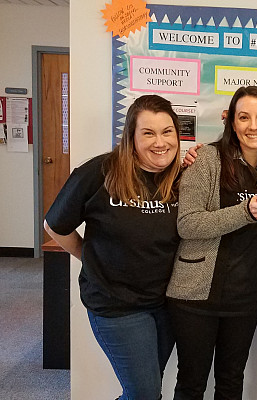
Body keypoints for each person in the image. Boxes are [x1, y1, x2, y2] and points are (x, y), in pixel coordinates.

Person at [44, 94, 182, 400]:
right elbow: (55, 225)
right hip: (116, 306)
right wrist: (88, 257)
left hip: (166, 304)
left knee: (145, 390)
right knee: (145, 394)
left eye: (167, 131)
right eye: (148, 133)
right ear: (131, 137)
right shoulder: (99, 172)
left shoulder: (180, 178)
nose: (160, 142)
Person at [166, 85, 257, 399]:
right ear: (231, 122)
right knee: (191, 383)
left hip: (245, 298)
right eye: (244, 117)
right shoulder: (206, 158)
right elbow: (188, 224)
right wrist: (245, 211)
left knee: (231, 382)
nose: (253, 126)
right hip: (196, 296)